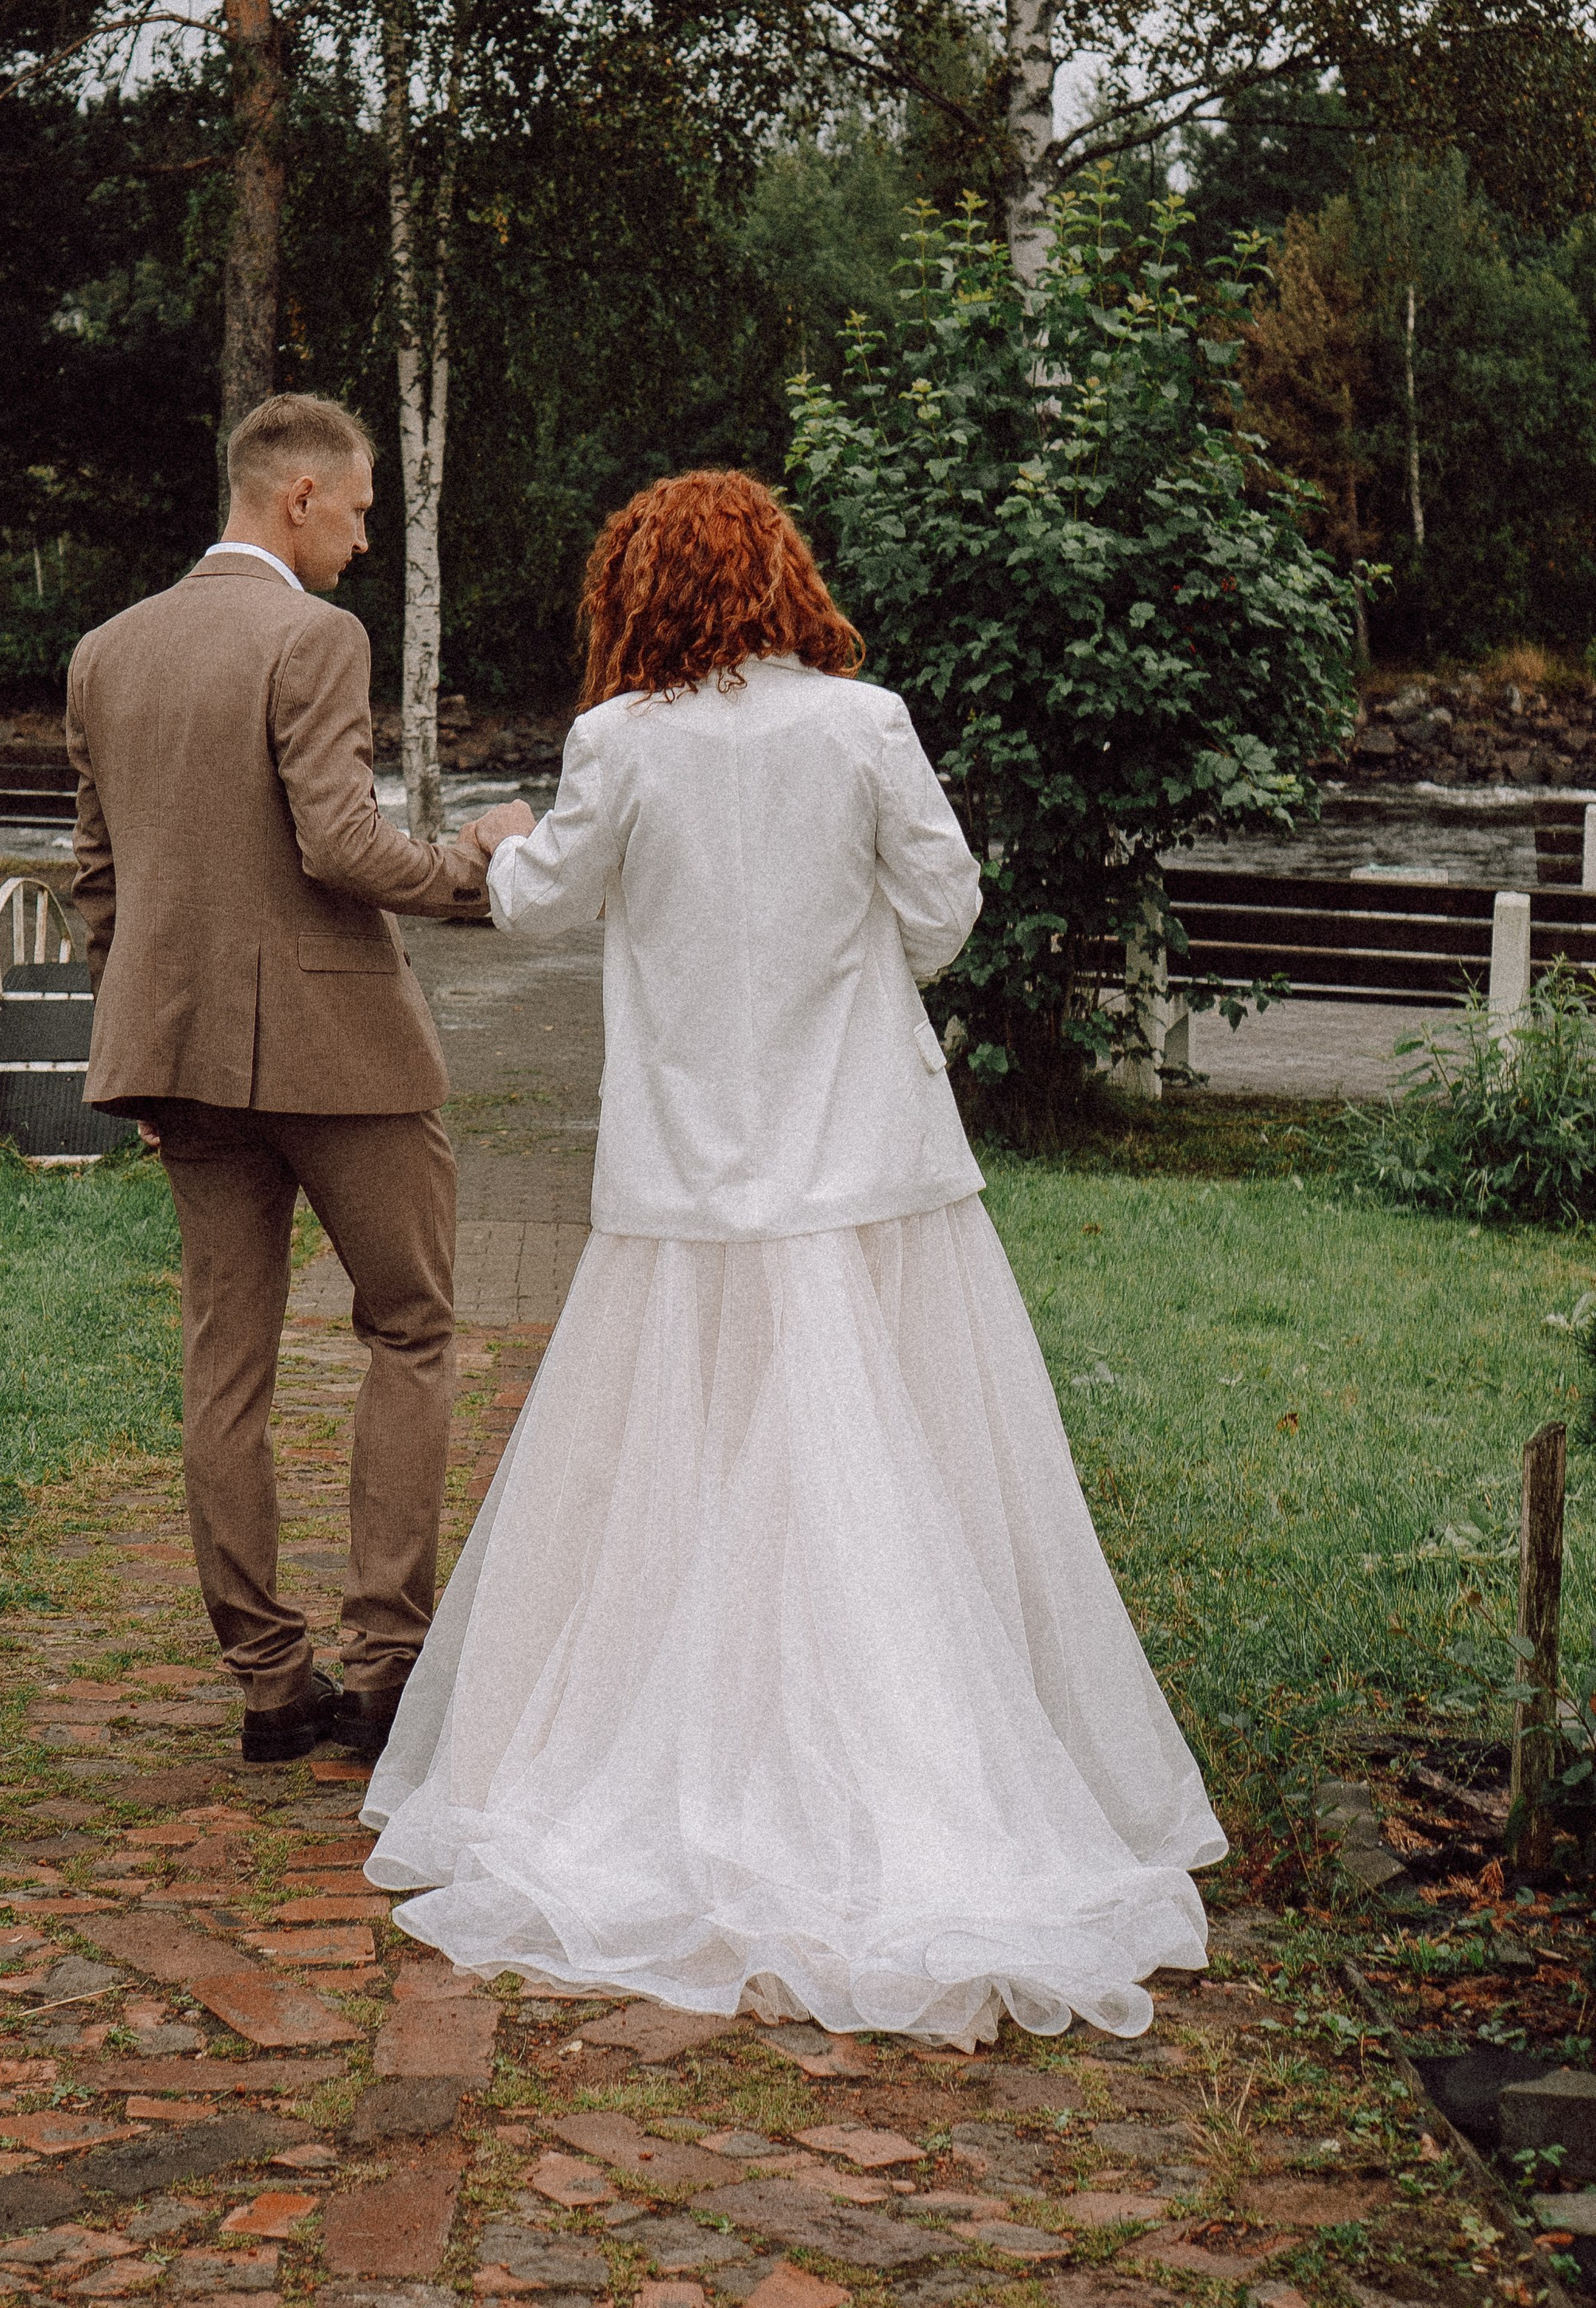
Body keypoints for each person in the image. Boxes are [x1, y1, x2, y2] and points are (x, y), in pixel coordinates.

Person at [363, 468, 1224, 2043]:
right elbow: (946, 905)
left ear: (636, 592)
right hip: (865, 1156)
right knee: (886, 1456)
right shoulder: (864, 723)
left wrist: (500, 838)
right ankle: (915, 1758)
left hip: (691, 1169)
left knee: (687, 1455)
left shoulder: (620, 743)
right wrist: (854, 979)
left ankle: (698, 1735)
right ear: (782, 578)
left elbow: (540, 908)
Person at [66, 393, 490, 1768]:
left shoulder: (106, 652)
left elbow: (98, 880)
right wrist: (476, 870)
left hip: (179, 1058)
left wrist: (141, 1045)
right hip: (341, 1053)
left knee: (226, 1363)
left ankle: (267, 1684)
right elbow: (343, 846)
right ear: (298, 494)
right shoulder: (316, 637)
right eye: (359, 511)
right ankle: (385, 1671)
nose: (364, 541)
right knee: (411, 1329)